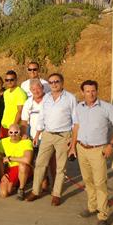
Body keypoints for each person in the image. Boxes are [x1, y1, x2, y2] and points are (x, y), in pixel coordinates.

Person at [68, 80, 113, 225]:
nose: (90, 94)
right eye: (87, 91)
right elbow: (76, 127)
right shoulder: (79, 107)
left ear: (97, 91)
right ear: (82, 92)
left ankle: (103, 215)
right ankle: (92, 207)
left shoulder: (107, 107)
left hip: (98, 150)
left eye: (93, 91)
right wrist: (73, 146)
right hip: (81, 148)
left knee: (100, 183)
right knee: (88, 180)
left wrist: (111, 145)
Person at [26, 73, 77, 206]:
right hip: (47, 134)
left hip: (63, 135)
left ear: (62, 82)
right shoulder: (47, 97)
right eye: (51, 82)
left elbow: (75, 120)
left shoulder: (70, 98)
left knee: (61, 167)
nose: (54, 84)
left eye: (56, 81)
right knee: (40, 163)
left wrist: (72, 138)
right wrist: (37, 134)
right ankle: (35, 191)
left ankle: (56, 194)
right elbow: (42, 116)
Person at [20, 79, 54, 191]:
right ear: (30, 90)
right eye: (33, 89)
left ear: (43, 88)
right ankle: (43, 181)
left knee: (51, 161)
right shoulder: (28, 102)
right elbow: (24, 121)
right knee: (37, 162)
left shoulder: (50, 100)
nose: (36, 91)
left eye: (38, 88)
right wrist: (24, 134)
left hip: (49, 137)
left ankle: (54, 184)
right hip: (34, 138)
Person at [0, 124, 34, 200]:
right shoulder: (3, 142)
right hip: (11, 169)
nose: (13, 134)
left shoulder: (26, 142)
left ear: (20, 132)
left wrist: (10, 158)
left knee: (22, 166)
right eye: (11, 132)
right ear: (8, 133)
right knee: (4, 193)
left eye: (16, 132)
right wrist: (2, 175)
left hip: (25, 168)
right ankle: (18, 183)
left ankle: (21, 189)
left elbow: (27, 160)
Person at [0, 70, 27, 139]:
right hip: (4, 124)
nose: (9, 82)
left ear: (16, 80)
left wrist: (14, 125)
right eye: (7, 80)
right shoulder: (6, 92)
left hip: (13, 127)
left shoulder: (20, 93)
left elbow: (20, 111)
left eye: (11, 79)